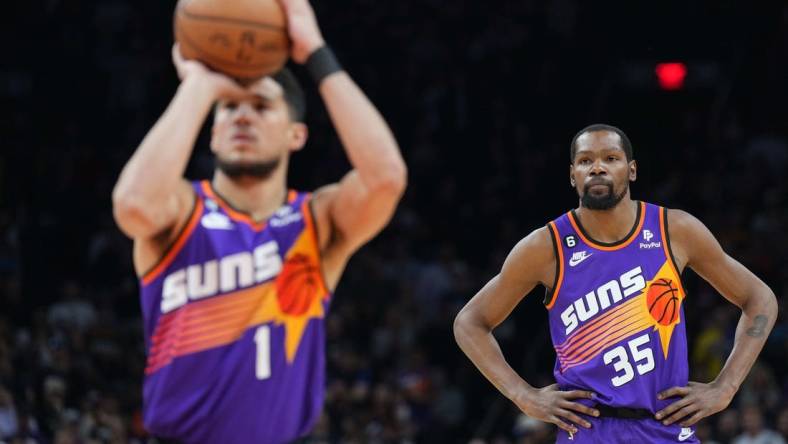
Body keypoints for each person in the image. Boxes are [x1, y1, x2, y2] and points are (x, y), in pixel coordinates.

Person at [111, 0, 407, 442]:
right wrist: (199, 84)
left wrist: (315, 52)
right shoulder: (181, 210)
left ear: (296, 134)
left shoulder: (316, 222)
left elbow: (385, 179)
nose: (242, 116)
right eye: (228, 108)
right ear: (211, 131)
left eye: (261, 106)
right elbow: (131, 204)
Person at [453, 124, 777, 443]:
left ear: (632, 170)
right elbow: (470, 322)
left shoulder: (674, 230)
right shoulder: (546, 246)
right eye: (585, 161)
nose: (597, 168)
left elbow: (759, 298)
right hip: (587, 431)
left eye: (610, 158)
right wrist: (523, 395)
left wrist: (726, 388)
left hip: (665, 426)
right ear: (572, 175)